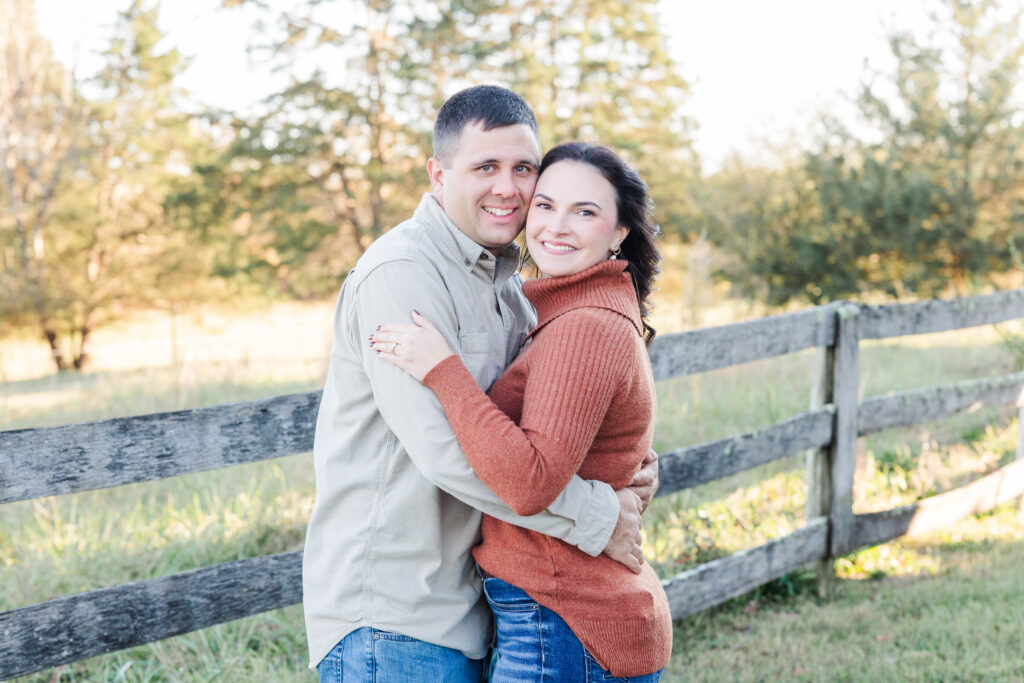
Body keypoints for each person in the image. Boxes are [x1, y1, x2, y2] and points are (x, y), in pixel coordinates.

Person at [302, 86, 659, 681]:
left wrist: (632, 466)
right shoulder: (402, 275)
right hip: (396, 612)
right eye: (485, 167)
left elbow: (543, 423)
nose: (508, 187)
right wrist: (596, 516)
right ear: (438, 174)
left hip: (476, 605)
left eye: (523, 169)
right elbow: (446, 451)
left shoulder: (512, 287)